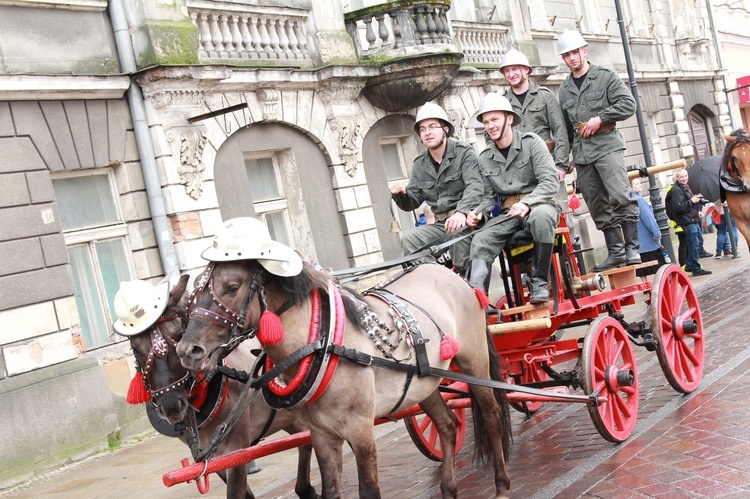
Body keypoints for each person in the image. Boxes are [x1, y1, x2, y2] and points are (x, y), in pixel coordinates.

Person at [557, 29, 639, 272]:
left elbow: (628, 104)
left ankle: (631, 248)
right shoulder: (564, 90)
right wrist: (566, 159)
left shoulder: (604, 76)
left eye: (575, 52)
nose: (572, 58)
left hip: (607, 145)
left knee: (620, 195)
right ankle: (616, 252)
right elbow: (566, 129)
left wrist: (600, 118)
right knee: (596, 203)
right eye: (566, 55)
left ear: (584, 51)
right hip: (582, 154)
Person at [466, 93, 560, 304]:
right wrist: (479, 212)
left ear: (509, 118)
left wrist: (527, 203)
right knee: (481, 238)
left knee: (541, 217)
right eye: (486, 121)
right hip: (508, 214)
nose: (490, 126)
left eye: (495, 119)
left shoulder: (532, 143)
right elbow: (490, 198)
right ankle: (479, 300)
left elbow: (550, 182)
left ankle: (539, 282)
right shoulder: (484, 158)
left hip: (539, 203)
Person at [390, 102, 485, 273]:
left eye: (433, 126)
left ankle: (465, 284)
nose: (428, 132)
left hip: (469, 221)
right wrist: (401, 194)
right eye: (423, 129)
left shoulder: (464, 153)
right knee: (409, 239)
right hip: (441, 224)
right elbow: (412, 201)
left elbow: (475, 187)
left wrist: (461, 212)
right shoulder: (420, 163)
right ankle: (434, 280)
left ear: (445, 129)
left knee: (456, 231)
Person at [500, 49, 571, 184]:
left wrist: (560, 165)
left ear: (526, 70)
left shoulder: (545, 96)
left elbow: (560, 130)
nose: (511, 74)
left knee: (554, 205)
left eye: (515, 69)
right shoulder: (502, 103)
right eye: (507, 71)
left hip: (547, 164)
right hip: (518, 170)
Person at [664, 168, 712, 276]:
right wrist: (691, 201)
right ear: (677, 178)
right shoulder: (676, 190)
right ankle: (694, 267)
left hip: (692, 219)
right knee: (693, 243)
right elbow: (678, 208)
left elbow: (688, 205)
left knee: (698, 241)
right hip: (686, 221)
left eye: (685, 176)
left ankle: (691, 264)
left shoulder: (686, 187)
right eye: (681, 177)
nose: (684, 178)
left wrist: (698, 211)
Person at [630, 178, 666, 280]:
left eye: (640, 183)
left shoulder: (629, 200)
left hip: (638, 240)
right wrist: (656, 233)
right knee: (658, 266)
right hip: (648, 240)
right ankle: (659, 285)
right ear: (631, 187)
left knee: (642, 268)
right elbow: (648, 218)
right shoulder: (639, 200)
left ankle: (644, 285)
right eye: (636, 184)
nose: (640, 185)